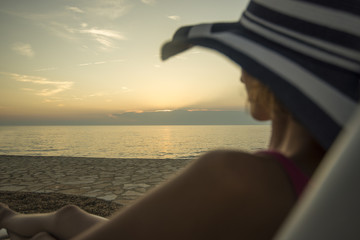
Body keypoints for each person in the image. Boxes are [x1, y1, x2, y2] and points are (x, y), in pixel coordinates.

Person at [1, 0, 359, 239]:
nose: (239, 76)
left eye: (246, 62)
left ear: (270, 76)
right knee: (70, 218)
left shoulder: (241, 178)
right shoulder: (340, 190)